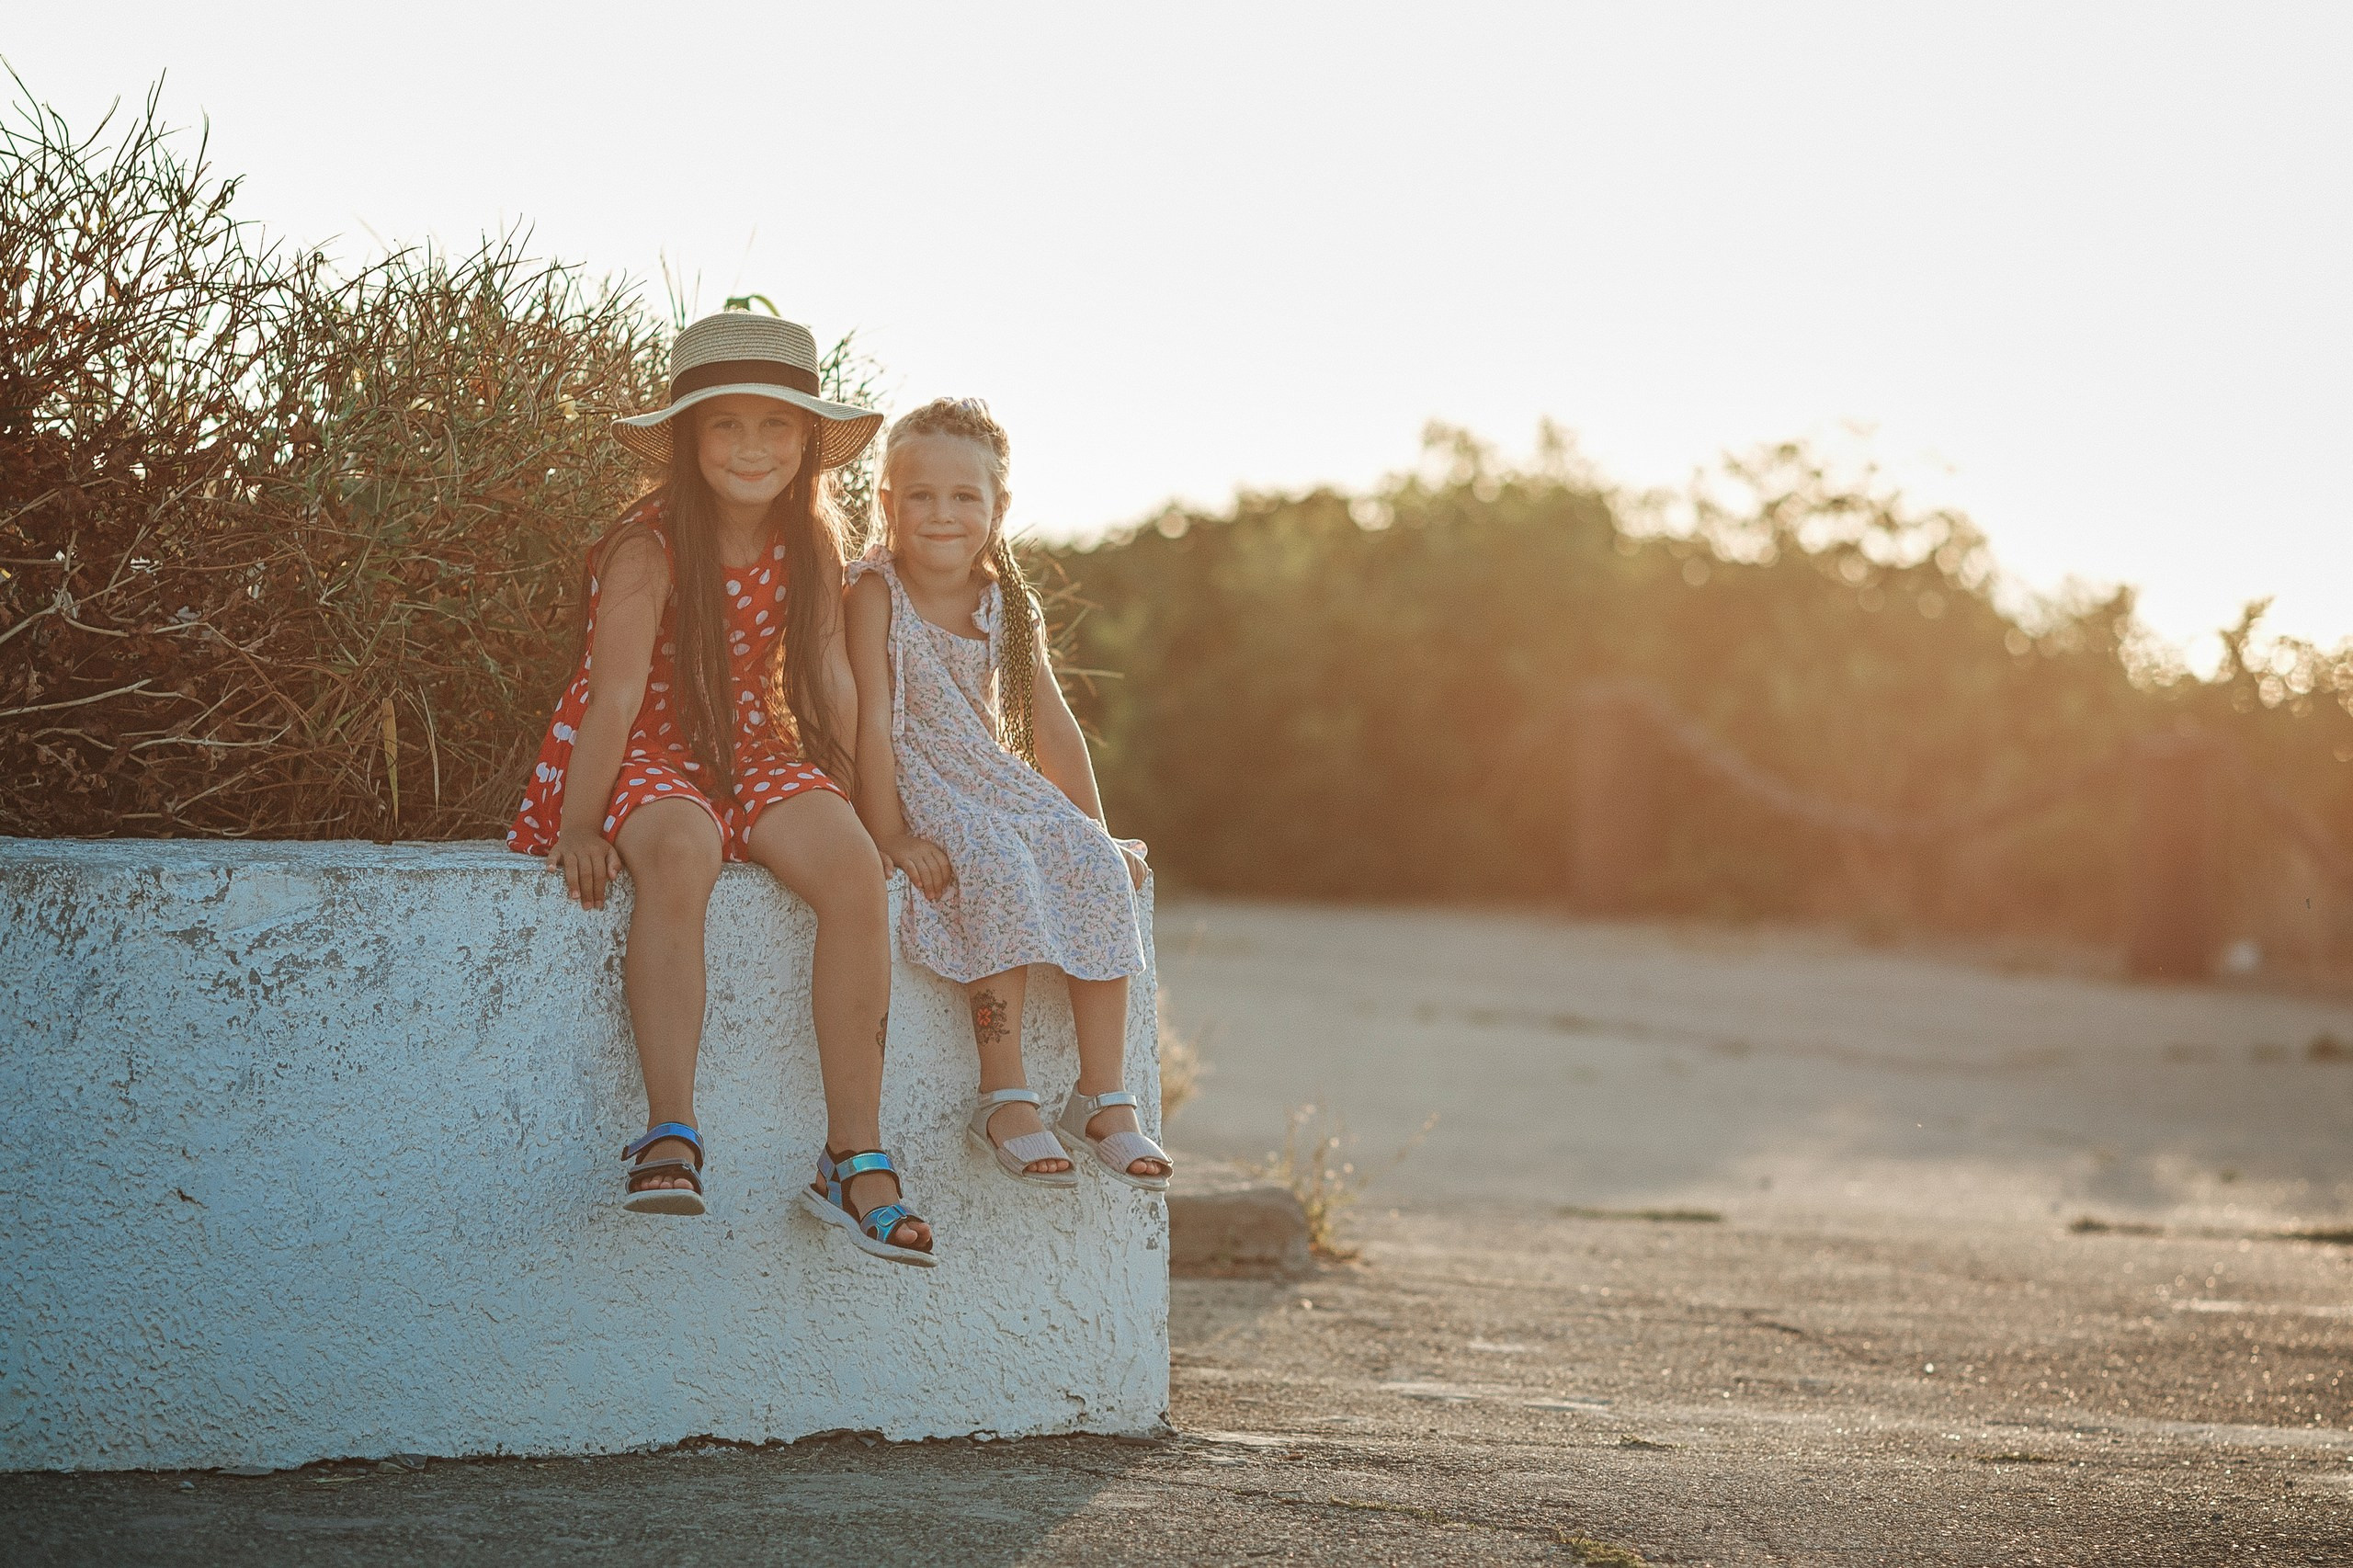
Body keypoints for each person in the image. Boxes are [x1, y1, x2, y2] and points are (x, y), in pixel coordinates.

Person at [508, 311, 933, 1266]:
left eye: (776, 425)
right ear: (689, 439)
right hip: (648, 745)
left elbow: (830, 686)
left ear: (808, 443)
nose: (752, 447)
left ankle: (853, 1153)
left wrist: (883, 820)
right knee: (679, 849)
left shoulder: (810, 544)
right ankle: (669, 1130)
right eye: (726, 425)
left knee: (854, 869)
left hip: (753, 747)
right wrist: (579, 821)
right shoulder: (646, 545)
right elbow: (614, 694)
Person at [843, 397, 1170, 1195]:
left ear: (1000, 508)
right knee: (992, 861)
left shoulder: (1007, 604)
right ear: (886, 503)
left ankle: (1102, 1095)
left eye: (965, 498)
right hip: (920, 780)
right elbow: (871, 726)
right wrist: (888, 832)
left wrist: (1096, 833)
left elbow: (1050, 728)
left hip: (990, 776)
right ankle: (1004, 1094)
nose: (942, 515)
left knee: (1091, 866)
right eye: (919, 496)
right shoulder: (872, 595)